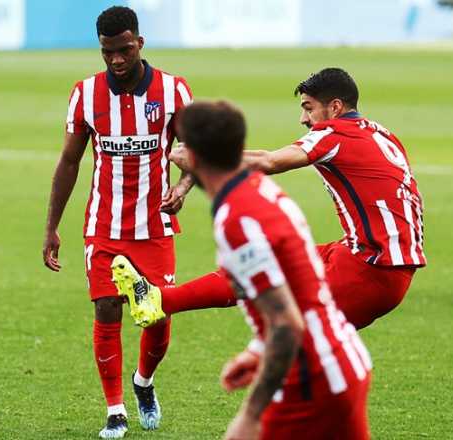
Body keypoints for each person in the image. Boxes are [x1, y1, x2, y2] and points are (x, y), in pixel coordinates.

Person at [115, 100, 371, 439]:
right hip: (343, 361)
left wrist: (251, 415)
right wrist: (257, 350)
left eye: (181, 147)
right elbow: (290, 289)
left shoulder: (239, 219)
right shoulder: (259, 190)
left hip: (311, 377)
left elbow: (287, 325)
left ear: (193, 159)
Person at [118, 68, 425, 332]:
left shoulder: (334, 133)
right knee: (256, 264)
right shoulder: (379, 132)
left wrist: (203, 159)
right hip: (365, 254)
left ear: (335, 107)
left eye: (308, 108)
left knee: (291, 340)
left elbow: (269, 161)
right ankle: (158, 299)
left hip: (374, 269)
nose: (303, 119)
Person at [41, 6, 194, 439]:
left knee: (156, 315)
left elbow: (195, 151)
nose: (117, 60)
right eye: (108, 52)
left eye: (125, 49)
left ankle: (143, 381)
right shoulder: (85, 94)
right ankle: (115, 410)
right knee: (106, 306)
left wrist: (183, 187)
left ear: (140, 43)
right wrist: (52, 226)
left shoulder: (173, 90)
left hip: (154, 225)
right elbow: (69, 162)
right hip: (103, 225)